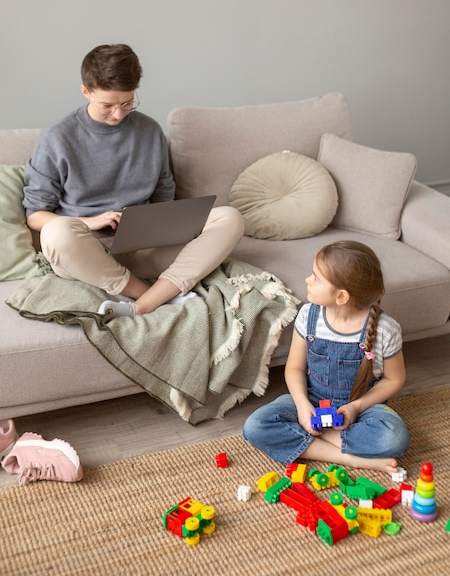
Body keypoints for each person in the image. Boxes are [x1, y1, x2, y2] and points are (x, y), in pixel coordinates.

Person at [22, 44, 244, 318]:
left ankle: (143, 305)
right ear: (86, 92)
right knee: (56, 233)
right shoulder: (57, 137)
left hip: (144, 247)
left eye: (127, 103)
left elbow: (165, 197)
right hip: (85, 253)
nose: (118, 114)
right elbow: (35, 215)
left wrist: (163, 223)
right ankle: (150, 295)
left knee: (229, 218)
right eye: (107, 105)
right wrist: (88, 223)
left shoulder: (150, 131)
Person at [243, 240, 410, 475]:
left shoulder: (385, 329)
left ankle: (322, 439)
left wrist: (355, 407)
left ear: (341, 296)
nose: (307, 280)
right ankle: (351, 458)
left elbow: (394, 379)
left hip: (362, 406)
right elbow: (294, 369)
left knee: (394, 439)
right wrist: (302, 407)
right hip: (312, 398)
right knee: (255, 426)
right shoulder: (308, 315)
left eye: (316, 278)